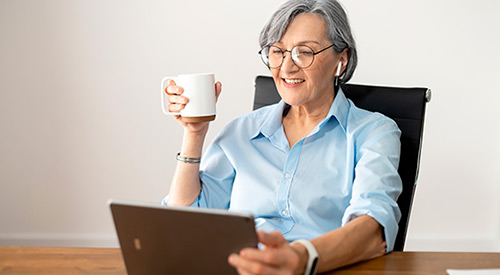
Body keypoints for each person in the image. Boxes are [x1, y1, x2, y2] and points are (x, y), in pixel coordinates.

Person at [163, 0, 402, 274]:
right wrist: (194, 133)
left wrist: (301, 258)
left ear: (342, 60)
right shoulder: (241, 132)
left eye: (305, 52)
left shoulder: (374, 132)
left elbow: (374, 230)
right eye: (278, 51)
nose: (287, 68)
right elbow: (185, 220)